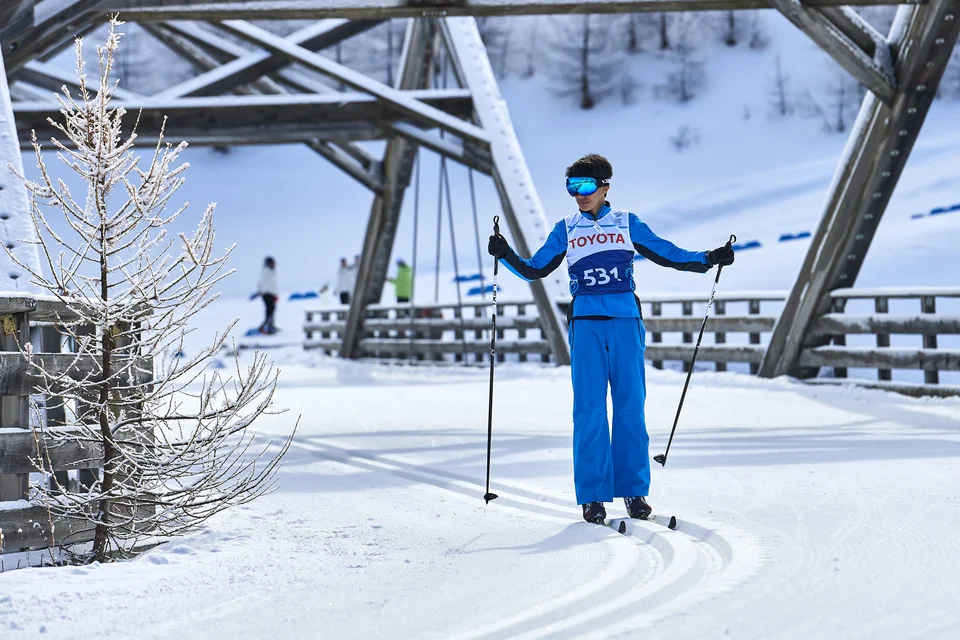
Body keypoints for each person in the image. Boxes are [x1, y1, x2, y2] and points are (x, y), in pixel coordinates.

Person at [487, 154, 734, 525]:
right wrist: (505, 254)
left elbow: (669, 254)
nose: (579, 195)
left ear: (605, 187)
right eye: (572, 188)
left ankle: (634, 491)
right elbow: (535, 269)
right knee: (588, 411)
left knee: (630, 408)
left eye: (586, 187)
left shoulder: (627, 223)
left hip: (624, 322)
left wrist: (709, 258)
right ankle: (592, 496)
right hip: (585, 324)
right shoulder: (565, 229)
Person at [256, 256, 279, 334]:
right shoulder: (266, 272)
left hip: (271, 294)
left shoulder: (270, 272)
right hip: (267, 294)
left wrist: (275, 294)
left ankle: (270, 326)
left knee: (271, 310)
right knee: (270, 311)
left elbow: (273, 285)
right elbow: (264, 284)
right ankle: (265, 327)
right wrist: (262, 292)